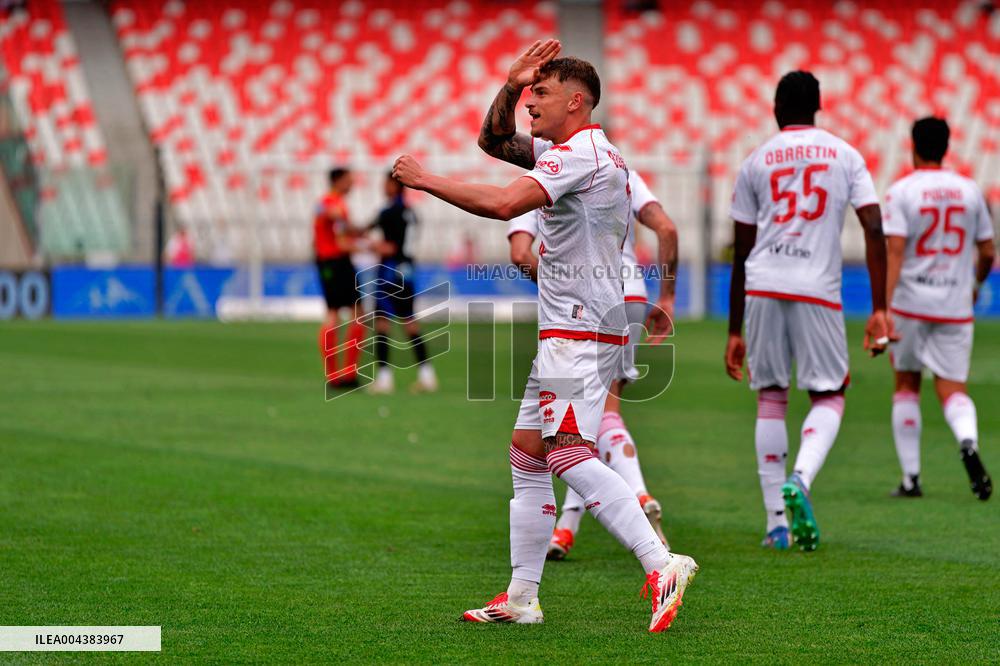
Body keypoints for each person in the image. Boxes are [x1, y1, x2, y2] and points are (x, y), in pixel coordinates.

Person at [393, 40, 697, 632]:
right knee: (529, 453)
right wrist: (509, 86)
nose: (531, 102)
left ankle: (662, 561)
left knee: (564, 451)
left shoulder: (578, 155)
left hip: (580, 328)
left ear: (577, 102)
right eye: (529, 93)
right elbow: (492, 142)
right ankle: (522, 596)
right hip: (576, 325)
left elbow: (508, 203)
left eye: (542, 93)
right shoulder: (581, 149)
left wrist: (426, 179)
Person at [725, 71, 894, 552]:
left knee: (771, 397)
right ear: (817, 106)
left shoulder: (756, 160)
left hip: (761, 286)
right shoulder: (846, 155)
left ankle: (776, 524)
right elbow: (874, 227)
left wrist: (735, 330)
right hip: (817, 288)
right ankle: (800, 477)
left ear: (778, 106)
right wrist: (880, 308)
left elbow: (741, 249)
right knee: (830, 395)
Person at [507, 167, 679, 559]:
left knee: (579, 431)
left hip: (580, 315)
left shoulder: (538, 179)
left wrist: (558, 288)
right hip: (630, 295)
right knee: (582, 428)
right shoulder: (620, 170)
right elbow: (666, 229)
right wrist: (667, 296)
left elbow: (519, 253)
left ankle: (637, 496)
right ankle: (566, 529)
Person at [883, 117, 994, 500]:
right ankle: (967, 440)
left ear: (913, 146)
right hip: (954, 304)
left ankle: (911, 478)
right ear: (947, 147)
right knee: (952, 388)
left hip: (910, 303)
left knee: (906, 384)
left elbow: (894, 251)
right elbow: (988, 251)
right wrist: (975, 284)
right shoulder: (970, 191)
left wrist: (884, 305)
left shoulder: (901, 191)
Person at [367, 171, 438, 394]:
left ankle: (384, 379)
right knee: (410, 323)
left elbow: (389, 247)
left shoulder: (389, 212)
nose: (383, 187)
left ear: (394, 185)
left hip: (390, 272)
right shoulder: (411, 212)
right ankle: (427, 376)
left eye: (385, 183)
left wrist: (369, 245)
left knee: (382, 324)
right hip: (407, 272)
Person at [314, 167, 366, 389]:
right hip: (336, 262)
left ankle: (337, 375)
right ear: (338, 181)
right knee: (351, 314)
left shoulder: (329, 203)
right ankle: (345, 374)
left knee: (337, 313)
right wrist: (366, 246)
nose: (352, 184)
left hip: (330, 262)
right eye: (348, 180)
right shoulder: (332, 204)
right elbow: (341, 238)